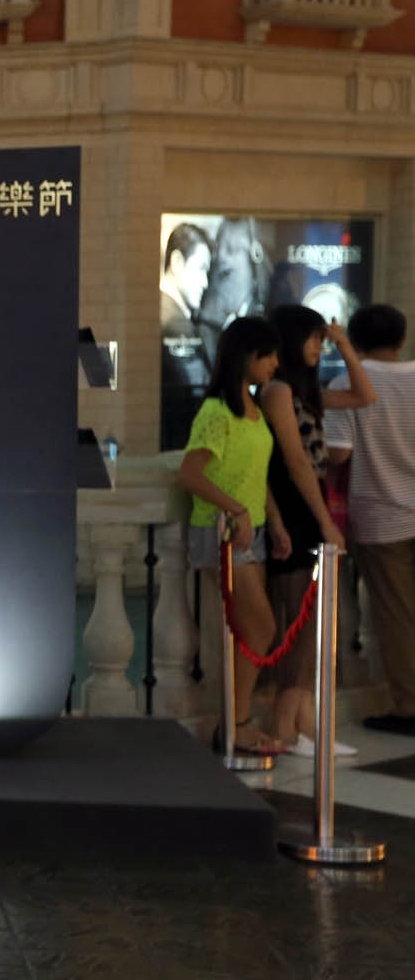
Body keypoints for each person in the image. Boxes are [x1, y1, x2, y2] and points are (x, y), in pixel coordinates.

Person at [261, 306, 374, 755]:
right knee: (299, 619)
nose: (318, 346)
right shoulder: (278, 390)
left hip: (309, 506)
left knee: (313, 621)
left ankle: (304, 722)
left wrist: (343, 344)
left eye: (320, 339)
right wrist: (326, 521)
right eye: (312, 338)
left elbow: (364, 395)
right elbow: (294, 461)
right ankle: (285, 724)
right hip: (295, 510)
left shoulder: (306, 391)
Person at [176, 315, 289, 756]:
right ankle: (236, 724)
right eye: (268, 356)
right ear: (246, 357)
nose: (274, 364)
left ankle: (235, 722)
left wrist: (272, 520)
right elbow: (191, 473)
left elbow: (255, 474)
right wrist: (237, 510)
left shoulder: (254, 411)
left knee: (250, 632)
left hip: (250, 530)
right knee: (261, 628)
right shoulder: (216, 412)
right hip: (222, 531)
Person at [325, 304, 415, 734]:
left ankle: (409, 706)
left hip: (383, 515)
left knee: (397, 617)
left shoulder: (348, 381)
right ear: (402, 339)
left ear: (355, 342)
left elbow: (339, 453)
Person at [160, 222, 216, 450]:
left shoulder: (166, 315)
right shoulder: (174, 324)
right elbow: (198, 390)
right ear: (176, 262)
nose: (205, 282)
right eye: (201, 268)